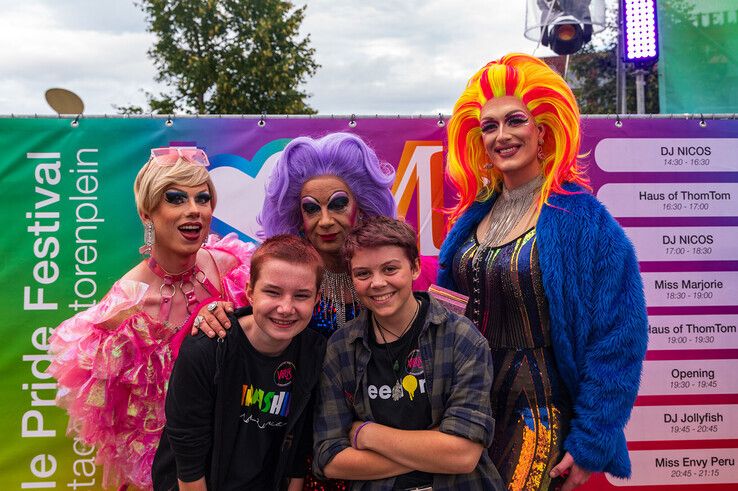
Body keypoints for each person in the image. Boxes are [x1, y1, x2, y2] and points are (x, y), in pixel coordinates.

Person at [437, 53, 648, 490]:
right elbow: (447, 313)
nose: (502, 135)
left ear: (542, 129)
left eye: (515, 120)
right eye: (489, 126)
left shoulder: (583, 220)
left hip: (539, 411)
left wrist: (591, 440)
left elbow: (619, 337)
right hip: (467, 408)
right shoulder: (471, 217)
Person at [47, 147, 255, 489]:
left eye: (202, 199)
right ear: (148, 214)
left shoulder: (234, 269)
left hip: (243, 454)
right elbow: (124, 430)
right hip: (171, 472)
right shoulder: (122, 312)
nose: (194, 211)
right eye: (176, 199)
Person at [313, 216, 505, 490]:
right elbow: (329, 459)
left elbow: (463, 456)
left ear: (414, 267)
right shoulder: (342, 347)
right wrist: (435, 451)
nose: (377, 283)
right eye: (363, 274)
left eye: (390, 269)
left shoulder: (460, 338)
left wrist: (367, 434)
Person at [152, 235, 327, 491]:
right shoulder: (207, 347)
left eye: (301, 296)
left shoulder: (313, 351)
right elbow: (187, 455)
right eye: (273, 292)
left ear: (317, 300)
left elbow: (297, 445)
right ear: (250, 293)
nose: (286, 308)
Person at [258, 132, 398, 339]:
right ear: (298, 216)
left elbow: (444, 319)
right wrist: (212, 311)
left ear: (360, 207)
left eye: (338, 205)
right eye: (311, 208)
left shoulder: (396, 270)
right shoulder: (277, 274)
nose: (325, 221)